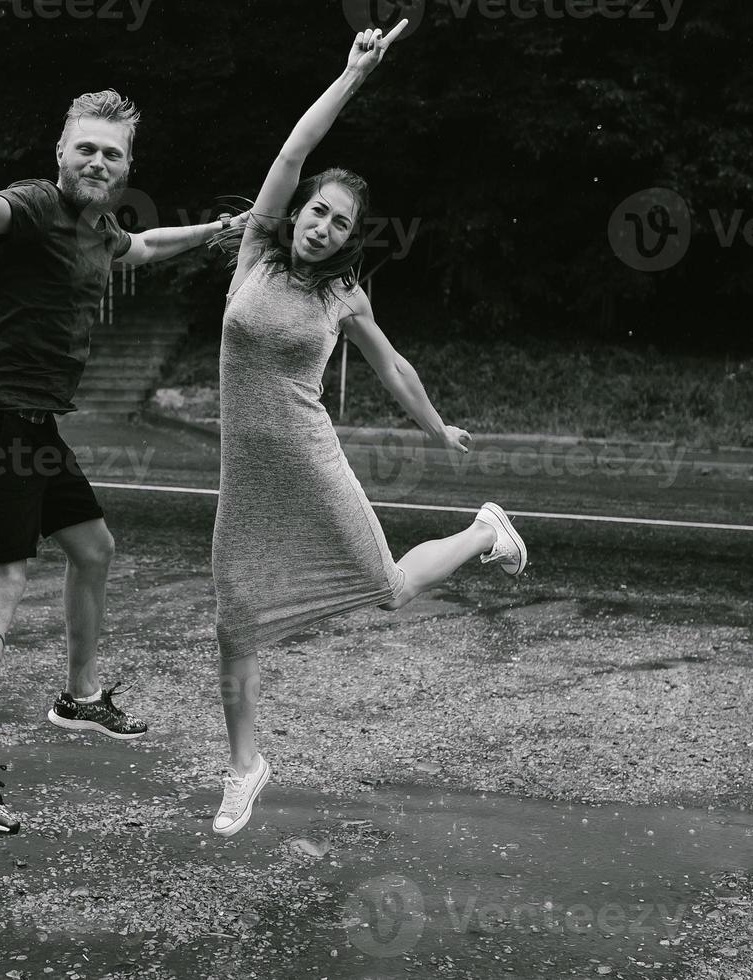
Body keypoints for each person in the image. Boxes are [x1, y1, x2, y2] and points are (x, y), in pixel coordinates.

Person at [0, 91, 239, 834]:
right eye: (86, 148)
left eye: (111, 153)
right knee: (2, 579)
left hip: (34, 423)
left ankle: (78, 696)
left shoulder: (99, 231)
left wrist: (214, 231)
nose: (98, 161)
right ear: (61, 153)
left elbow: (145, 246)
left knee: (93, 547)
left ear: (126, 166)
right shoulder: (40, 206)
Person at [208, 24, 529, 837]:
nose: (321, 226)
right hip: (245, 475)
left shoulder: (344, 297)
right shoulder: (256, 250)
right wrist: (352, 74)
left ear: (351, 239)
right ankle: (245, 768)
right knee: (234, 621)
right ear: (300, 209)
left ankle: (484, 532)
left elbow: (391, 366)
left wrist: (435, 428)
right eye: (317, 210)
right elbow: (293, 146)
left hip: (311, 461)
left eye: (339, 223)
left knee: (387, 590)